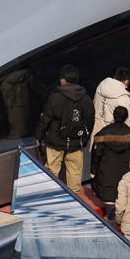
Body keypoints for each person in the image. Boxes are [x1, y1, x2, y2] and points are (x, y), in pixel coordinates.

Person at [37, 64, 95, 193]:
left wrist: (39, 136)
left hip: (55, 140)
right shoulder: (85, 98)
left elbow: (45, 119)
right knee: (74, 172)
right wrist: (84, 138)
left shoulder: (55, 97)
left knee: (52, 170)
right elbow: (90, 120)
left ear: (62, 79)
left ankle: (51, 196)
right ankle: (74, 197)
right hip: (76, 141)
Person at [91, 106, 130, 217]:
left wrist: (93, 171)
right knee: (123, 199)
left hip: (106, 172)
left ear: (114, 116)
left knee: (110, 203)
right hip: (124, 172)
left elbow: (96, 154)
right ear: (126, 117)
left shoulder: (103, 133)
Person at [0, 68, 46, 139]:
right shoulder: (28, 76)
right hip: (28, 108)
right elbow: (41, 90)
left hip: (12, 109)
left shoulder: (4, 83)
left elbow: (5, 98)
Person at [92, 67, 130, 145]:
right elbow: (127, 121)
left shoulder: (102, 85)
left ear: (114, 76)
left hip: (96, 128)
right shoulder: (124, 98)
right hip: (112, 135)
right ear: (127, 81)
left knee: (96, 153)